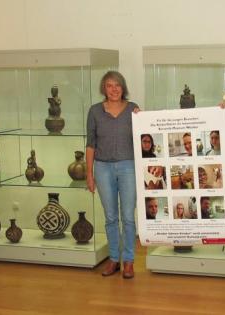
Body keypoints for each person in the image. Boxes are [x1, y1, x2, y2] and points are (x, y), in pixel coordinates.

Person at [86, 70, 139, 279]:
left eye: (117, 85)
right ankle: (114, 259)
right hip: (102, 168)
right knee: (110, 217)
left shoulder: (133, 110)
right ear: (104, 89)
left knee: (127, 217)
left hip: (128, 167)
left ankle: (129, 261)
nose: (114, 89)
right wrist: (89, 175)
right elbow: (91, 144)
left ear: (123, 87)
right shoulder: (95, 111)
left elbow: (145, 137)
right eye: (109, 85)